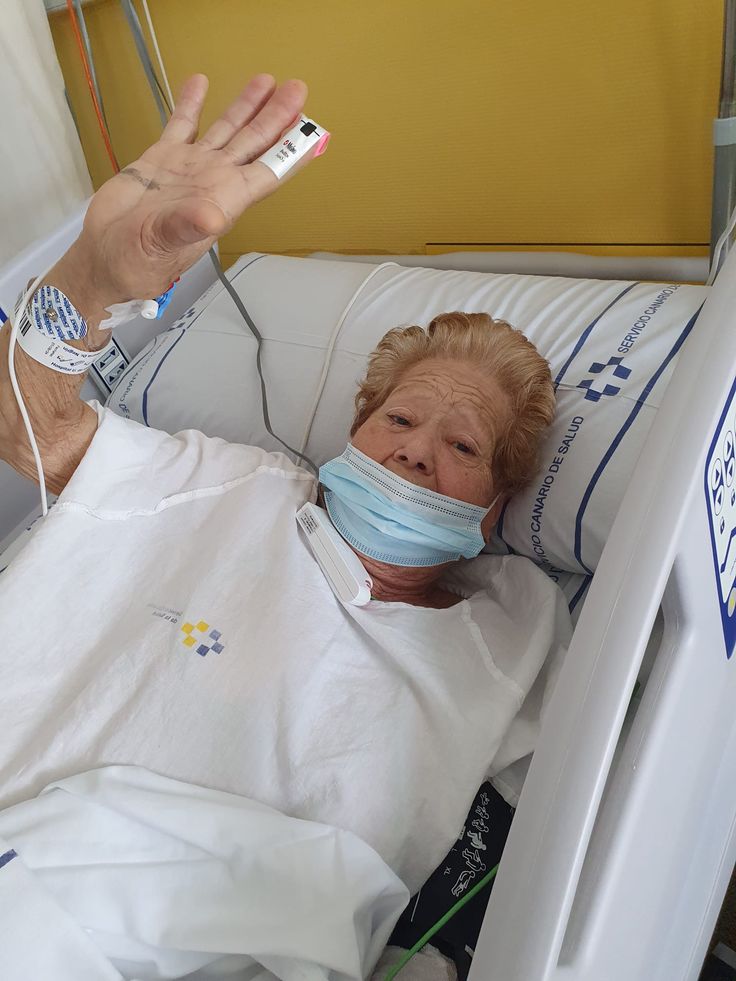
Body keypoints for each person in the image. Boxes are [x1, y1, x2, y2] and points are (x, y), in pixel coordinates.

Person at [0, 74, 571, 908]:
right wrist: (91, 278)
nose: (415, 451)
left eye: (462, 444)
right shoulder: (225, 485)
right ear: (352, 435)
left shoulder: (508, 639)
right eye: (402, 418)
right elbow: (28, 429)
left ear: (490, 511)